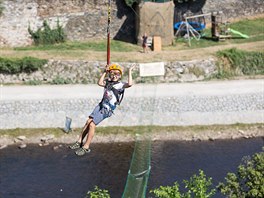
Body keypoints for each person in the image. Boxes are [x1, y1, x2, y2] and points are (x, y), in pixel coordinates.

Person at [69, 63, 136, 156]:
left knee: (92, 125)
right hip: (101, 105)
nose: (114, 76)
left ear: (120, 75)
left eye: (117, 74)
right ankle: (79, 141)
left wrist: (129, 71)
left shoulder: (121, 85)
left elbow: (130, 84)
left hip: (107, 109)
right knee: (88, 121)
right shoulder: (107, 82)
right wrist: (105, 72)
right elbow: (100, 83)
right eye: (112, 74)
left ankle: (86, 146)